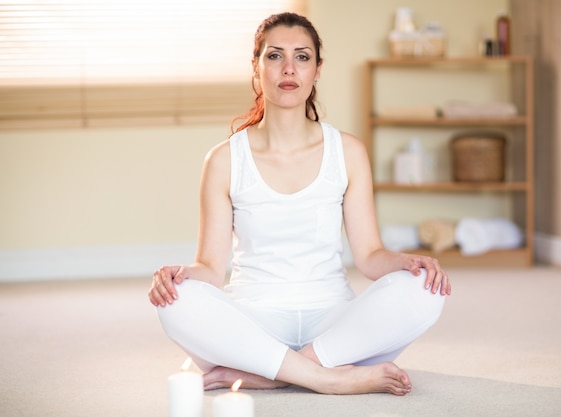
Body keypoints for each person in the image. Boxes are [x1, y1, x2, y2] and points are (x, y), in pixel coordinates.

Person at [148, 11, 451, 396]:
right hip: (252, 320)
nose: (288, 68)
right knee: (177, 302)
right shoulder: (224, 159)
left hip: (333, 323)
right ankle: (327, 377)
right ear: (256, 68)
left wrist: (409, 264)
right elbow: (209, 268)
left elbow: (370, 255)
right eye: (274, 56)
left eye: (302, 57)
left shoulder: (348, 151)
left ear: (317, 69)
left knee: (426, 288)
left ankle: (267, 374)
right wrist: (176, 277)